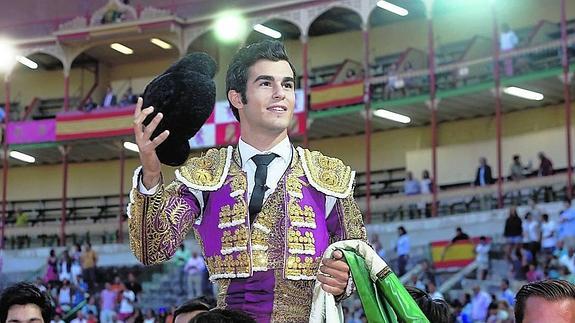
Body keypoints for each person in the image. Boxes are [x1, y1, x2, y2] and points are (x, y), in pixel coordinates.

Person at [128, 40, 367, 322]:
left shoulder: (327, 176)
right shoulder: (205, 175)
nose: (281, 94)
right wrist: (151, 173)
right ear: (237, 98)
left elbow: (358, 260)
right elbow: (151, 249)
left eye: (288, 85)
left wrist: (345, 279)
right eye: (266, 84)